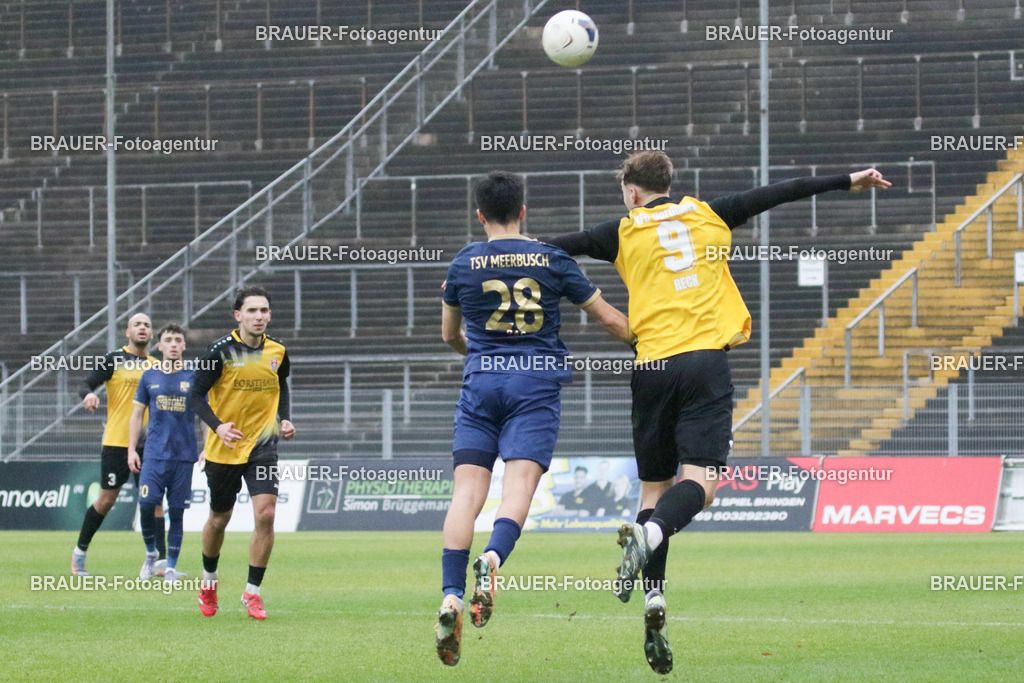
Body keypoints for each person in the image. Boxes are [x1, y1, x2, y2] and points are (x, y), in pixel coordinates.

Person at [548, 150, 890, 674]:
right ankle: (651, 539)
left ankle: (654, 598)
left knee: (653, 492)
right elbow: (783, 190)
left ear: (633, 192)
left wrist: (473, 271)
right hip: (704, 364)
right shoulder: (710, 212)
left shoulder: (619, 230)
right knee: (702, 485)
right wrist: (849, 179)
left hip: (651, 367)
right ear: (668, 184)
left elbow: (547, 249)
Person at [435, 171, 633, 666]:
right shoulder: (552, 259)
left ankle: (450, 595)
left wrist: (477, 351)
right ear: (523, 210)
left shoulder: (463, 263)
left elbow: (448, 336)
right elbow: (609, 318)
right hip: (535, 382)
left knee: (467, 492)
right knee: (519, 486)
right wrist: (654, 342)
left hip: (481, 382)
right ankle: (494, 558)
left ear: (479, 214)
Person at [188, 285, 295, 620]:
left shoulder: (277, 350)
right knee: (220, 518)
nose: (259, 316)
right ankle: (208, 580)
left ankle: (253, 592)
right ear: (238, 316)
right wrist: (217, 426)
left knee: (266, 514)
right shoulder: (219, 352)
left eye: (264, 311)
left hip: (262, 445)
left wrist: (285, 417)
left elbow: (282, 384)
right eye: (252, 311)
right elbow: (194, 397)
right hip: (224, 447)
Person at [71, 313, 162, 576]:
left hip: (149, 444)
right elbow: (86, 383)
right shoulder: (114, 359)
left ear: (152, 334)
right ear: (127, 332)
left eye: (147, 324)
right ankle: (80, 553)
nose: (142, 328)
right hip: (117, 442)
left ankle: (159, 563)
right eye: (137, 325)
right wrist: (88, 394)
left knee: (154, 501)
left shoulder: (157, 365)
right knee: (107, 499)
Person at [128, 323, 199, 584]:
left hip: (184, 456)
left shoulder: (193, 376)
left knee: (177, 512)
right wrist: (131, 450)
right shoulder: (149, 376)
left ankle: (170, 566)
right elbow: (136, 415)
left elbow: (204, 415)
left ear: (183, 346)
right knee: (147, 505)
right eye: (167, 340)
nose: (172, 344)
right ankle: (151, 553)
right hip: (154, 454)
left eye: (177, 340)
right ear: (160, 346)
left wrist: (205, 450)